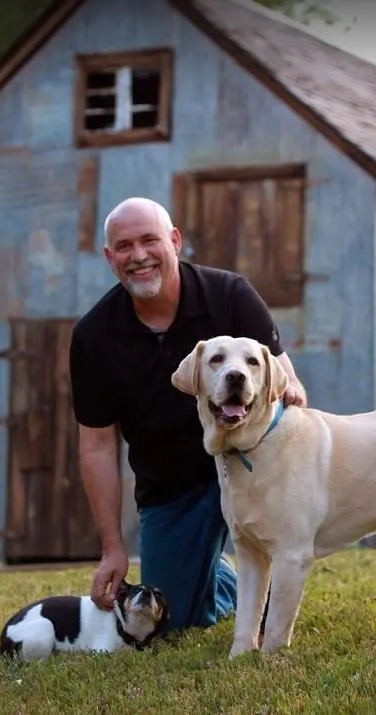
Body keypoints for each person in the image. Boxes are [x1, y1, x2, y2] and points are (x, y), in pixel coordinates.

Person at [68, 196, 308, 634]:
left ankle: (257, 571)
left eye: (149, 240)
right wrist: (111, 549)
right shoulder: (93, 337)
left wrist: (291, 485)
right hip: (172, 488)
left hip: (251, 469)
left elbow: (290, 389)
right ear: (109, 258)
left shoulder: (230, 296)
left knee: (273, 586)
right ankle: (225, 581)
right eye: (124, 246)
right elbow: (97, 446)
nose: (138, 256)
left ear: (174, 241)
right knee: (173, 620)